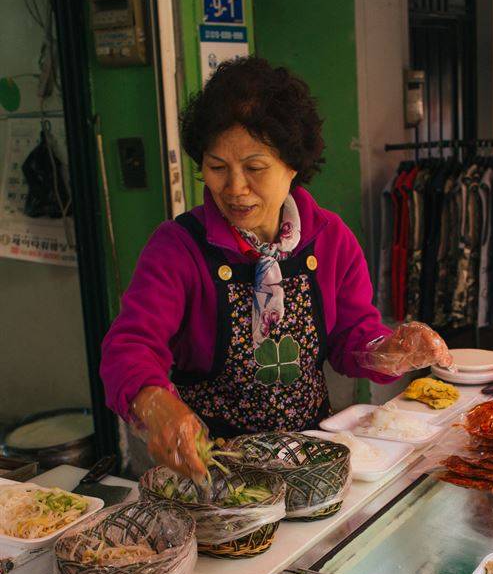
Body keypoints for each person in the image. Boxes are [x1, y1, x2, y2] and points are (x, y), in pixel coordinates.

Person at [100, 57, 452, 481]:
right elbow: (128, 348)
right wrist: (155, 402)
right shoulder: (178, 249)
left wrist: (390, 349)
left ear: (293, 165)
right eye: (216, 168)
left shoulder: (330, 239)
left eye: (254, 168)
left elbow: (353, 340)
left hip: (313, 460)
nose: (234, 188)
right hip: (211, 472)